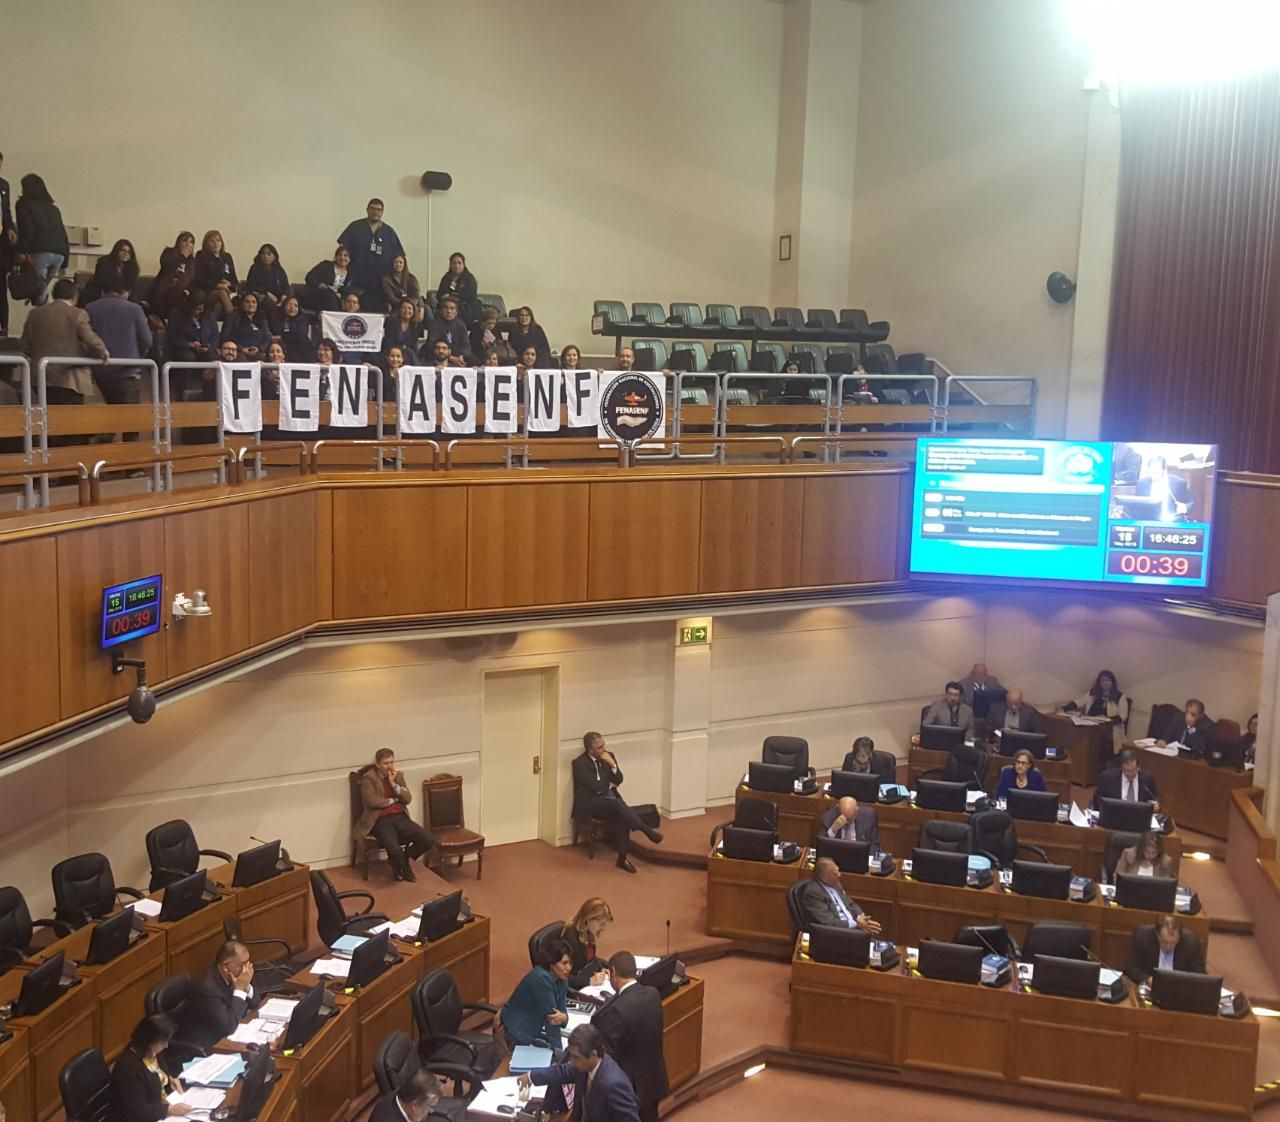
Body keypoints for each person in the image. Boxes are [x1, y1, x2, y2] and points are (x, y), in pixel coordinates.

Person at [572, 732, 663, 874]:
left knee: (621, 814)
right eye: (600, 747)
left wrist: (613, 765)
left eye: (604, 745)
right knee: (618, 805)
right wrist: (608, 785)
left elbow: (619, 779)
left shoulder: (608, 757)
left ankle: (622, 859)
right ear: (590, 749)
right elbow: (594, 786)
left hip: (608, 800)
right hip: (590, 804)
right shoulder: (580, 763)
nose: (604, 749)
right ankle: (646, 830)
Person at [593, 951, 668, 1122]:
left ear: (612, 972)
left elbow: (609, 1056)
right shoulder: (653, 994)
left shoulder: (616, 1011)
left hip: (631, 1088)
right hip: (653, 1078)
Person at [518, 1024, 641, 1122]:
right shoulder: (585, 1067)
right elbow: (563, 1071)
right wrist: (530, 1077)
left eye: (576, 1057)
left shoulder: (614, 1085)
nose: (572, 1061)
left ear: (593, 1054)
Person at [21, 278, 108, 406]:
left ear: (54, 294)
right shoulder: (78, 314)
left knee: (46, 413)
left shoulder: (34, 313)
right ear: (75, 297)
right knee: (70, 415)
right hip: (69, 379)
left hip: (40, 376)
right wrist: (102, 350)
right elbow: (90, 339)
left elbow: (24, 345)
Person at [353, 747, 433, 882]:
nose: (389, 766)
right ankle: (405, 869)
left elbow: (407, 799)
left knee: (427, 839)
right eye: (386, 763)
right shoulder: (369, 778)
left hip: (399, 817)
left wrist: (394, 784)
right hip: (380, 820)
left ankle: (402, 860)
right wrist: (392, 800)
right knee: (394, 849)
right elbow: (371, 801)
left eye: (391, 762)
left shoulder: (398, 776)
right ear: (378, 765)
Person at [86, 276, 152, 421]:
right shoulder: (135, 309)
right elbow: (146, 340)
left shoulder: (90, 308)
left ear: (103, 291)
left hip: (100, 369)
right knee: (132, 420)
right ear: (124, 292)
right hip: (127, 369)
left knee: (109, 414)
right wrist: (138, 356)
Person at [180, 941, 260, 1052]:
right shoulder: (208, 988)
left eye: (248, 964)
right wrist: (240, 990)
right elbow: (228, 1027)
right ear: (226, 966)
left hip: (227, 1034)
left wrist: (246, 987)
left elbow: (255, 1002)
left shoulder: (234, 976)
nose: (246, 970)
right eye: (242, 965)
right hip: (208, 1044)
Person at [111, 1014, 192, 1120]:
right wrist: (169, 1110)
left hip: (165, 1103)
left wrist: (169, 1078)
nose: (166, 1046)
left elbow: (158, 1071)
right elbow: (137, 1109)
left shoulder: (152, 1051)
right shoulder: (129, 1069)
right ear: (148, 1041)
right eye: (162, 1042)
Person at [498, 938, 572, 1052]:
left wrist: (564, 1018)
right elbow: (551, 1019)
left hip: (536, 1027)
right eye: (564, 963)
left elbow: (561, 1013)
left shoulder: (562, 979)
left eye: (570, 963)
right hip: (516, 1031)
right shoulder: (540, 978)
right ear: (551, 962)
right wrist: (559, 1054)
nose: (568, 968)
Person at [338, 198, 404, 311]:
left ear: (382, 212)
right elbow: (342, 252)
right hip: (356, 280)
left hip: (380, 283)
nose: (375, 212)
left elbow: (399, 257)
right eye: (372, 209)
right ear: (367, 210)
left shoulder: (389, 232)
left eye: (379, 210)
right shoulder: (355, 227)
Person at [16, 173, 69, 306]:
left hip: (40, 252)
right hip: (59, 255)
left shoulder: (23, 204)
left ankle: (42, 317)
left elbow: (27, 229)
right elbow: (63, 234)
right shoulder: (54, 209)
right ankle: (42, 311)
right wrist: (65, 263)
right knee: (41, 292)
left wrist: (21, 251)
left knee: (39, 294)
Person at [797, 857, 882, 932]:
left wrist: (861, 917)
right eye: (835, 874)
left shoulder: (835, 883)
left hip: (853, 926)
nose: (839, 875)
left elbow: (850, 904)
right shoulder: (813, 893)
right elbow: (829, 922)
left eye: (838, 870)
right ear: (823, 877)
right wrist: (856, 923)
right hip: (837, 933)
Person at [1124, 914, 1206, 983]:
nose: (1169, 946)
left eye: (1173, 942)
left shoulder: (1190, 942)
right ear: (1157, 935)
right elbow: (1131, 968)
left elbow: (1200, 975)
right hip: (1150, 988)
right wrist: (1148, 979)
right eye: (1165, 942)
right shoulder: (1142, 936)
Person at [1067, 668, 1131, 752]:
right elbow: (1080, 701)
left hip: (1109, 728)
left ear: (1112, 682)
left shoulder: (1120, 696)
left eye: (1107, 680)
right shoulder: (1093, 692)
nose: (1104, 683)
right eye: (1101, 680)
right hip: (1091, 724)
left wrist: (1109, 721)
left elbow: (1123, 716)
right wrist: (1066, 707)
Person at [562, 897, 613, 989]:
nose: (603, 928)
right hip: (575, 989)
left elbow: (591, 960)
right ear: (587, 920)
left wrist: (602, 968)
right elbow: (561, 976)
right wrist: (589, 981)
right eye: (601, 924)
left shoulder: (589, 934)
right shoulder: (570, 941)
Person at [148, 232, 198, 319]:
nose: (187, 244)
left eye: (191, 242)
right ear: (178, 242)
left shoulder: (193, 262)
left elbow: (194, 280)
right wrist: (182, 256)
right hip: (165, 286)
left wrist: (187, 290)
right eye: (184, 240)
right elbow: (166, 267)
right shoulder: (169, 253)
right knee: (170, 295)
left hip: (182, 291)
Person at [1092, 748, 1160, 811]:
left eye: (1133, 770)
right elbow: (1097, 800)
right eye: (1127, 770)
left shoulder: (1147, 780)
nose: (1130, 774)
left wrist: (1156, 804)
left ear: (1138, 768)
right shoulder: (1107, 778)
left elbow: (1155, 798)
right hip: (1115, 815)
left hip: (1139, 816)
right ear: (1121, 767)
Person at [370, 1068, 444, 1122]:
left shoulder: (404, 1092)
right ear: (415, 1105)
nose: (431, 1111)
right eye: (429, 1107)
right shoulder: (389, 1119)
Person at [82, 238, 140, 305]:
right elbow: (100, 281)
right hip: (104, 295)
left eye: (128, 252)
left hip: (124, 299)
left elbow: (132, 286)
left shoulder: (133, 267)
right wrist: (115, 294)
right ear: (117, 250)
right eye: (123, 250)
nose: (125, 254)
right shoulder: (104, 262)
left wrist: (128, 293)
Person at [244, 243, 290, 328]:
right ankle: (273, 331)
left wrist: (284, 295)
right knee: (269, 305)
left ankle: (286, 331)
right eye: (263, 254)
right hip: (261, 296)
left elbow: (286, 286)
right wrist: (267, 293)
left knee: (291, 305)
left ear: (274, 256)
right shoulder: (255, 268)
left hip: (278, 298)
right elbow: (251, 285)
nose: (266, 256)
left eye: (269, 254)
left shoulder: (279, 269)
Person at [194, 231, 238, 318]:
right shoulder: (201, 256)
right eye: (212, 241)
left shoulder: (227, 257)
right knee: (222, 293)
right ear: (206, 243)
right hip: (207, 292)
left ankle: (211, 325)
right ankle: (235, 321)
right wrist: (218, 285)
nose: (216, 243)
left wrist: (229, 284)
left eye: (218, 240)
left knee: (219, 306)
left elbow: (234, 279)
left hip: (227, 292)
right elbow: (200, 280)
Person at [221, 291, 271, 361]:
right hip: (238, 351)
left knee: (263, 358)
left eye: (254, 302)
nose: (251, 304)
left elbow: (268, 337)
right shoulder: (233, 317)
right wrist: (241, 349)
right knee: (241, 359)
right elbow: (225, 336)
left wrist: (259, 348)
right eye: (247, 302)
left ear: (257, 305)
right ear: (242, 304)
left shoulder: (262, 318)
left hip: (257, 352)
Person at [303, 245, 352, 312]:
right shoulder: (325, 265)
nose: (342, 257)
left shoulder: (350, 274)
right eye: (339, 255)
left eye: (345, 255)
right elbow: (309, 277)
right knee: (329, 295)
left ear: (349, 259)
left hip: (337, 300)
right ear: (336, 257)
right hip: (319, 295)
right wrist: (319, 284)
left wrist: (341, 295)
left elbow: (346, 291)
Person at [437, 251, 479, 322]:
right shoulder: (446, 278)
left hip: (464, 306)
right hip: (448, 306)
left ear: (463, 265)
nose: (457, 266)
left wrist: (454, 296)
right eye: (454, 263)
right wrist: (444, 297)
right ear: (450, 265)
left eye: (459, 263)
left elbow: (471, 295)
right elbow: (439, 294)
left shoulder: (469, 278)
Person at [426, 295, 472, 361]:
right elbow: (431, 345)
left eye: (452, 308)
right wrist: (450, 358)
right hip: (440, 355)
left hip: (459, 357)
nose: (449, 311)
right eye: (446, 308)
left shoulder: (461, 325)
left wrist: (461, 357)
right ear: (441, 310)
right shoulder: (434, 325)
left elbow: (466, 345)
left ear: (456, 312)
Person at [382, 254, 425, 321]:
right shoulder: (386, 279)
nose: (398, 264)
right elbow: (391, 297)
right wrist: (404, 304)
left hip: (413, 305)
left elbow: (417, 295)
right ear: (392, 264)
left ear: (404, 264)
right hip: (396, 306)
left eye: (400, 262)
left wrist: (421, 308)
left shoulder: (412, 278)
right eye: (396, 262)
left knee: (424, 311)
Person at [0, 152, 14, 334]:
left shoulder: (3, 185)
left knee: (1, 287)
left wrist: (10, 228)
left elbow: (6, 211)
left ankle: (3, 327)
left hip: (1, 243)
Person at [278, 293, 314, 361]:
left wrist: (282, 337)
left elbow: (300, 335)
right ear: (284, 306)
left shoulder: (302, 319)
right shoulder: (278, 319)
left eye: (295, 306)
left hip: (301, 349)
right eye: (289, 304)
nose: (292, 307)